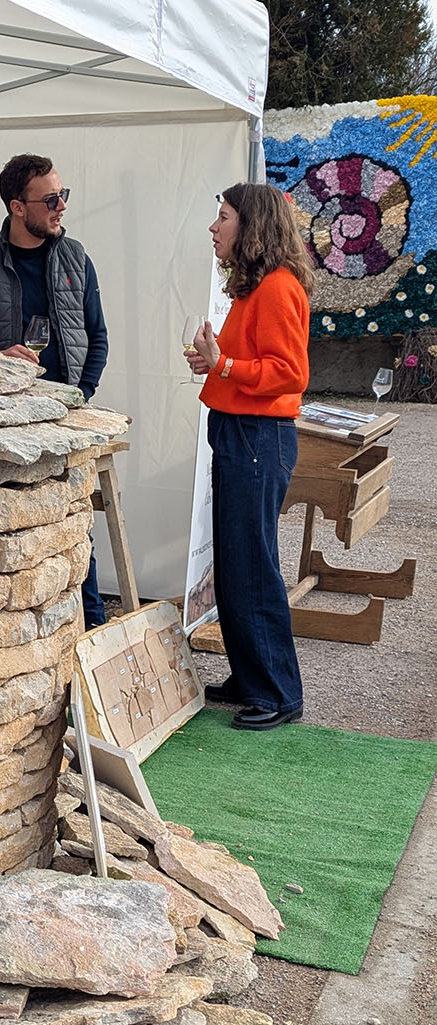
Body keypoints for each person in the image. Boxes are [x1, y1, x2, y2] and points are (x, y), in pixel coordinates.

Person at [0, 153, 109, 628]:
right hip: (6, 428)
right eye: (51, 199)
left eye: (64, 195)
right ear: (17, 207)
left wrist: (78, 397)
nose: (62, 206)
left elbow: (97, 337)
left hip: (66, 419)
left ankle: (92, 627)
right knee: (15, 532)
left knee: (76, 527)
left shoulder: (76, 257)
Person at [185, 182, 313, 731]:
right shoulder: (255, 286)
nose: (214, 228)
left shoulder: (278, 287)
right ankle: (251, 676)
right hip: (243, 431)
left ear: (251, 225)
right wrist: (215, 362)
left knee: (254, 566)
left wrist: (226, 366)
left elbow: (291, 373)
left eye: (224, 217)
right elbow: (246, 362)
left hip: (259, 436)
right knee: (236, 562)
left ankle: (280, 694)